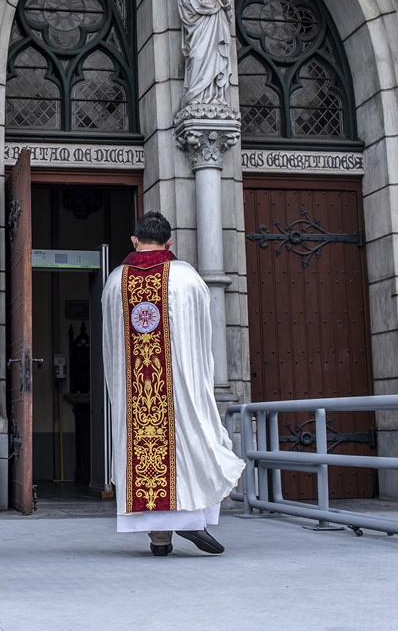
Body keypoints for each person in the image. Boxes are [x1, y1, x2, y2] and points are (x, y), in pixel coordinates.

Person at [101, 210, 244, 556]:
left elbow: (111, 347)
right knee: (187, 446)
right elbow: (202, 335)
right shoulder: (187, 278)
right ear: (170, 242)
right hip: (179, 388)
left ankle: (159, 539)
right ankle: (190, 521)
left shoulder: (116, 281)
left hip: (135, 396)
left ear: (134, 241)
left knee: (145, 454)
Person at [179, 0, 234, 110]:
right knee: (197, 55)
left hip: (215, 16)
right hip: (198, 18)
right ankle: (195, 96)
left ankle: (215, 97)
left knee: (215, 56)